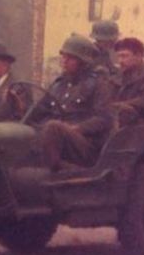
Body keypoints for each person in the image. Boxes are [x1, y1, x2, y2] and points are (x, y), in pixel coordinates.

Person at [33, 33, 117, 171]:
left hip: (85, 144)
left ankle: (58, 170)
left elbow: (104, 119)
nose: (64, 61)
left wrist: (76, 128)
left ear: (83, 61)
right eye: (63, 57)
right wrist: (20, 107)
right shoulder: (58, 84)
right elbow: (40, 110)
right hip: (57, 140)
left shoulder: (98, 84)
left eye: (70, 58)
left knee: (53, 126)